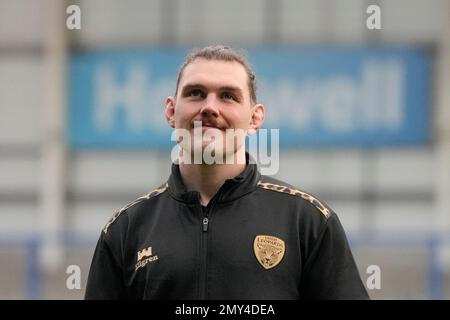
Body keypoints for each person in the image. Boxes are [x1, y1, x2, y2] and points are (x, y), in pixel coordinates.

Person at [85, 45, 369, 300]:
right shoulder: (124, 230)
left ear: (255, 118)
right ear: (171, 111)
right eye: (196, 93)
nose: (210, 107)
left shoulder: (308, 222)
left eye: (228, 96)